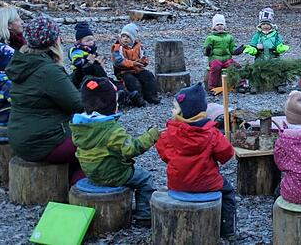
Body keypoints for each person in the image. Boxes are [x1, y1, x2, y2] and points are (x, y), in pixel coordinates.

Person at [70, 77, 160, 225]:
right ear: (111, 105)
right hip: (112, 173)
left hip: (90, 171)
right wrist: (151, 135)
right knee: (145, 179)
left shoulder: (80, 126)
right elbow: (132, 148)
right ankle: (144, 216)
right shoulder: (112, 129)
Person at [7, 16, 85, 184]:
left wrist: (77, 75)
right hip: (43, 143)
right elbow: (78, 105)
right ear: (54, 41)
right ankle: (80, 189)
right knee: (98, 145)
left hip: (21, 137)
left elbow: (55, 90)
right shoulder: (48, 70)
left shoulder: (24, 61)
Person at [156, 83, 236, 240]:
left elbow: (164, 155)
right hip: (208, 184)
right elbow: (226, 155)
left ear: (182, 113)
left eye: (174, 108)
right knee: (228, 193)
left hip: (177, 183)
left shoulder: (169, 134)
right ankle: (227, 231)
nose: (172, 111)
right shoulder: (212, 133)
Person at [111, 23, 160, 105]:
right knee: (132, 81)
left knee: (148, 76)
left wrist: (144, 61)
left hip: (137, 69)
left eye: (128, 37)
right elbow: (118, 61)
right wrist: (132, 64)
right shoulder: (117, 48)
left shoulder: (138, 47)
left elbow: (143, 55)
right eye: (123, 36)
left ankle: (151, 96)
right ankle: (138, 99)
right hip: (123, 71)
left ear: (133, 38)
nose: (125, 39)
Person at [243, 8, 289, 92]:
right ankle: (254, 85)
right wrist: (252, 49)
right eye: (263, 24)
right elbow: (253, 44)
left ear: (271, 25)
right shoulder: (258, 35)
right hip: (261, 55)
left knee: (278, 67)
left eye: (267, 24)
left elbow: (279, 43)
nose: (265, 26)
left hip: (273, 55)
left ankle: (280, 84)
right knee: (256, 69)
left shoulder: (276, 34)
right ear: (260, 25)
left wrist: (280, 48)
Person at [204, 14, 244, 92]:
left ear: (224, 26)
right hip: (215, 58)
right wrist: (208, 50)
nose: (219, 26)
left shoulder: (229, 37)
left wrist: (239, 50)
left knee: (235, 66)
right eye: (217, 24)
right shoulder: (210, 38)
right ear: (214, 27)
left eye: (221, 24)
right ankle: (212, 87)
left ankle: (239, 84)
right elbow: (206, 51)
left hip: (227, 58)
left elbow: (232, 49)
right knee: (216, 67)